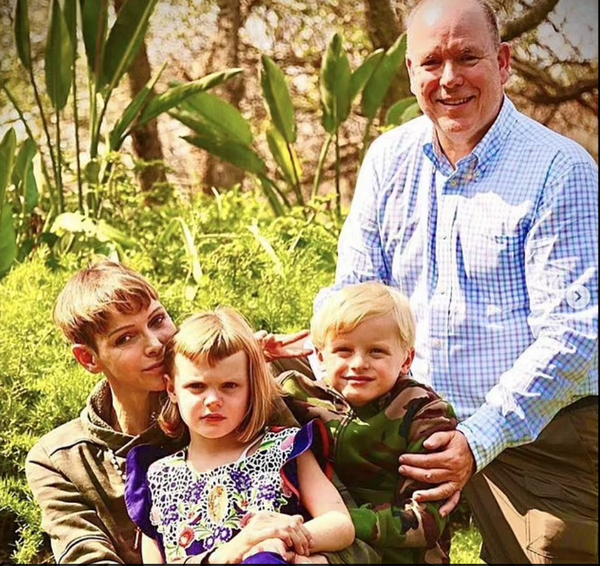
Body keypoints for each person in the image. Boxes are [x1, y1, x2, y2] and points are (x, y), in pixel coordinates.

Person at [313, 0, 598, 563]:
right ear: (411, 71)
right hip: (400, 422)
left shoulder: (560, 170)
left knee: (556, 553)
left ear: (504, 62)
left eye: (468, 57)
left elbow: (574, 335)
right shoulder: (388, 159)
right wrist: (316, 345)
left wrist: (477, 438)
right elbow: (356, 294)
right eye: (431, 62)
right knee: (324, 531)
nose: (449, 79)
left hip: (536, 430)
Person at [24, 260, 375, 565]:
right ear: (88, 358)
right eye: (125, 339)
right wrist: (226, 554)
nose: (155, 344)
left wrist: (288, 550)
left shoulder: (244, 407)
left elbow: (355, 541)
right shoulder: (61, 461)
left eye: (157, 320)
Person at [125, 307, 355, 564]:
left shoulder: (283, 448)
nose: (213, 400)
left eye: (229, 386)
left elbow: (340, 524)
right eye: (196, 386)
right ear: (172, 389)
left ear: (251, 388)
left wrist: (279, 538)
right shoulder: (157, 476)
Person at [279, 282, 458, 564]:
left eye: (376, 351)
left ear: (406, 359)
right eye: (344, 350)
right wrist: (252, 353)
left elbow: (426, 520)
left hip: (397, 555)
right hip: (321, 541)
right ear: (320, 355)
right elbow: (235, 403)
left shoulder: (424, 413)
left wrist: (343, 523)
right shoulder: (298, 395)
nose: (359, 363)